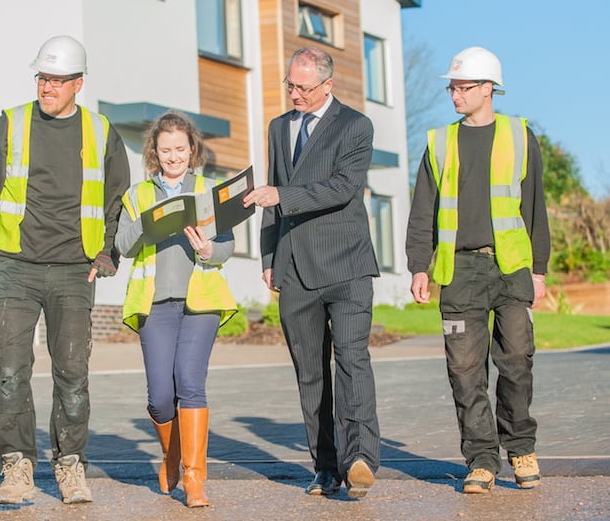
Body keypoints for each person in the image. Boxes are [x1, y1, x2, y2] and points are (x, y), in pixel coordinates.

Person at [0, 35, 131, 506]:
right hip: (17, 270)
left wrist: (109, 252)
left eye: (56, 80)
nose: (47, 87)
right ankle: (16, 469)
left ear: (78, 84)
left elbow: (117, 200)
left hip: (75, 272)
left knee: (72, 373)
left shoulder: (100, 131)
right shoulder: (10, 125)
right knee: (11, 371)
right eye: (42, 78)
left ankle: (70, 467)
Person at [405, 46, 550, 494]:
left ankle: (521, 447)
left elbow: (534, 208)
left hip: (511, 269)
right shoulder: (438, 143)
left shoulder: (521, 136)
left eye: (463, 87)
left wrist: (539, 270)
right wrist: (418, 266)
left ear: (488, 89)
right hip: (459, 270)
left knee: (516, 364)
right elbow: (422, 209)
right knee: (465, 372)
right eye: (452, 87)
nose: (454, 95)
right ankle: (482, 461)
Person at [243, 46, 380, 499]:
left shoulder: (356, 126)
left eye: (302, 87)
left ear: (327, 85)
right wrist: (268, 257)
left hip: (347, 265)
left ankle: (359, 459)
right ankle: (324, 467)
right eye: (290, 85)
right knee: (309, 372)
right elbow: (270, 194)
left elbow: (343, 187)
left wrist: (282, 195)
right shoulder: (279, 127)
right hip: (295, 268)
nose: (294, 94)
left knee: (353, 359)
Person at [115, 110, 238, 508]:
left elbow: (226, 245)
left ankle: (193, 478)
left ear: (192, 149)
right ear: (154, 151)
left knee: (189, 383)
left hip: (200, 301)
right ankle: (170, 457)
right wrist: (148, 224)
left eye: (180, 149)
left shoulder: (208, 189)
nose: (173, 156)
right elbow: (123, 245)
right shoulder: (137, 195)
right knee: (160, 396)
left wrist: (209, 249)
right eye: (165, 150)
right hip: (155, 303)